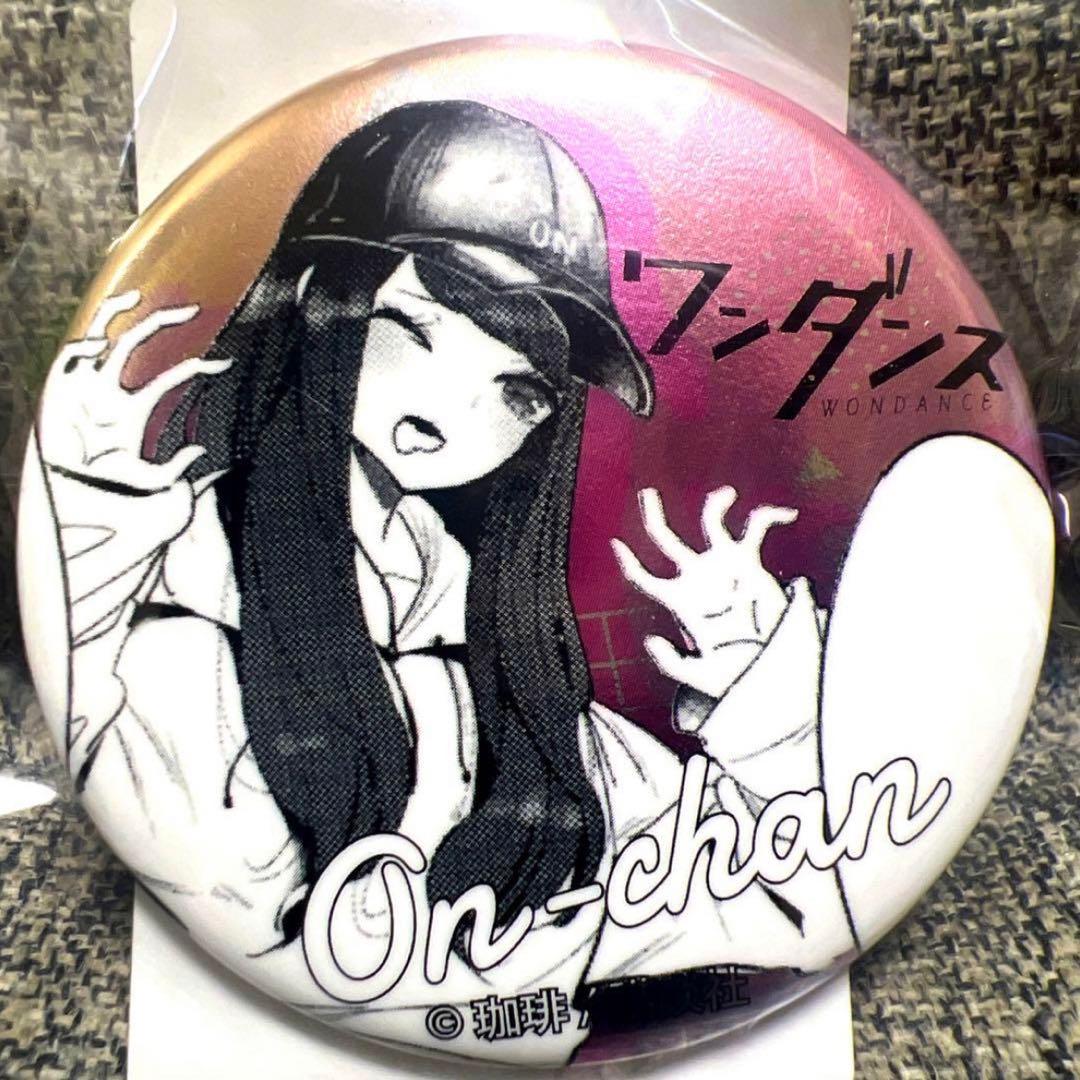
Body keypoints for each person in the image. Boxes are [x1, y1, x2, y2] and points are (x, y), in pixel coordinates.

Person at [29, 100, 1042, 1065]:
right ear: (312, 297)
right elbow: (247, 921)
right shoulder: (180, 637)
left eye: (517, 390)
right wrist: (93, 535)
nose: (450, 412)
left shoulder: (503, 677)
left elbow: (792, 912)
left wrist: (763, 701)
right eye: (416, 329)